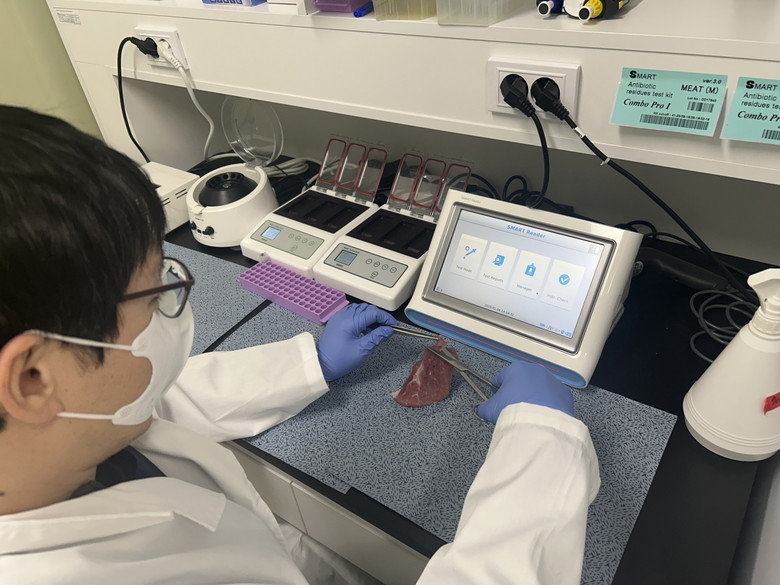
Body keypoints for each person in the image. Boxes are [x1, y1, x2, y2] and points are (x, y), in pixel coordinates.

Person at [0, 106, 600, 584]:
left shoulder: (61, 435)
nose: (174, 302)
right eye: (154, 295)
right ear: (32, 378)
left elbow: (156, 403)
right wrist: (541, 446)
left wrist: (311, 361)